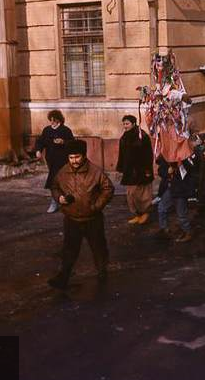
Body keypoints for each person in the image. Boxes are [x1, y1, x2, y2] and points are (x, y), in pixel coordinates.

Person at [48, 139, 115, 290]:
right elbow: (54, 186)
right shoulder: (63, 171)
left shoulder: (95, 171)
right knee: (69, 250)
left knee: (98, 247)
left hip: (93, 219)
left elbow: (108, 189)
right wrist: (59, 198)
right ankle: (63, 277)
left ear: (83, 155)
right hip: (72, 219)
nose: (74, 161)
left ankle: (102, 271)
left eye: (77, 157)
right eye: (71, 158)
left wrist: (96, 206)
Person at [157, 135, 199, 242]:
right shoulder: (166, 155)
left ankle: (187, 231)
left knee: (181, 214)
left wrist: (182, 160)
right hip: (171, 187)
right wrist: (167, 172)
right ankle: (164, 229)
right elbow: (160, 170)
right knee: (162, 207)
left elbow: (192, 169)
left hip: (181, 189)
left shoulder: (187, 156)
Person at [116, 115, 154, 225]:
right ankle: (137, 214)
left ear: (133, 124)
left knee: (142, 194)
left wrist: (147, 170)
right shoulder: (124, 137)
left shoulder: (142, 136)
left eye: (127, 124)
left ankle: (145, 213)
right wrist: (121, 168)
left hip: (141, 170)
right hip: (129, 171)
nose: (125, 126)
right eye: (124, 124)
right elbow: (122, 154)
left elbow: (148, 154)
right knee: (130, 194)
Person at [35, 110, 74, 213]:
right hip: (51, 160)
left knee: (57, 180)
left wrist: (63, 142)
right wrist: (38, 150)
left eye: (54, 119)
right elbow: (41, 141)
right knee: (55, 180)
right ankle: (57, 200)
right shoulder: (47, 130)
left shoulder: (65, 130)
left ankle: (59, 201)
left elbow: (73, 143)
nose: (52, 122)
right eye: (51, 119)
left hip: (63, 160)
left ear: (59, 119)